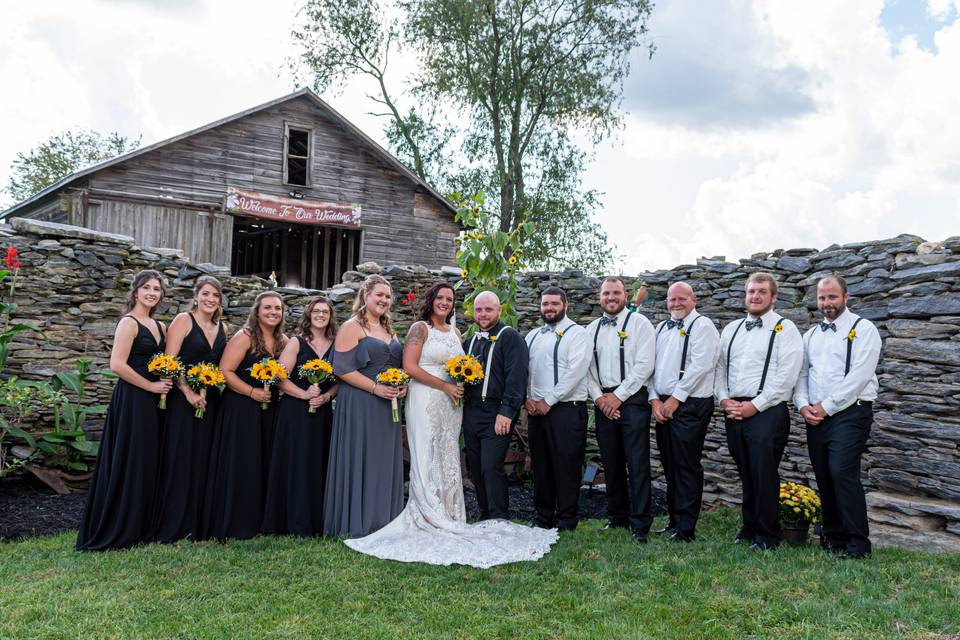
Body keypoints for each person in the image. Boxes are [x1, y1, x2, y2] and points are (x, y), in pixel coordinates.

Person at [344, 283, 557, 567]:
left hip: (452, 405)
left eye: (450, 299)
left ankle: (450, 513)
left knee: (447, 456)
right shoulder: (419, 328)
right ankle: (428, 512)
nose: (444, 302)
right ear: (431, 300)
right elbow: (410, 367)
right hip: (426, 398)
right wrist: (445, 385)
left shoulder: (458, 334)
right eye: (440, 298)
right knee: (427, 453)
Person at [77, 270, 173, 551]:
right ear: (135, 292)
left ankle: (144, 524)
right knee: (130, 458)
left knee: (148, 460)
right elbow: (117, 365)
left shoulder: (161, 326)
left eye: (157, 289)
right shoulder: (128, 324)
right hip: (134, 399)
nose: (152, 293)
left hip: (157, 401)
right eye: (146, 288)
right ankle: (122, 525)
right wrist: (150, 386)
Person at [795, 275, 881, 559]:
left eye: (832, 297)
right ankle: (833, 537)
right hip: (817, 414)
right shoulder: (811, 335)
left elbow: (859, 376)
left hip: (851, 412)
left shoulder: (864, 329)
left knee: (842, 473)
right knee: (823, 474)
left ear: (846, 297)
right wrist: (803, 405)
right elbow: (803, 374)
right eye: (822, 298)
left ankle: (858, 544)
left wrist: (827, 406)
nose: (826, 303)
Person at [715, 272, 803, 550]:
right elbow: (719, 369)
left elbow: (787, 376)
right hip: (734, 408)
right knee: (746, 472)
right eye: (751, 291)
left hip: (767, 410)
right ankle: (749, 527)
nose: (755, 296)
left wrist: (756, 405)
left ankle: (768, 535)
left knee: (764, 473)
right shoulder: (731, 329)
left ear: (773, 297)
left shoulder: (785, 329)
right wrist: (723, 399)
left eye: (762, 291)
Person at [323, 275, 406, 537]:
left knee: (382, 460)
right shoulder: (352, 326)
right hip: (359, 401)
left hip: (387, 405)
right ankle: (357, 521)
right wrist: (374, 388)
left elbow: (395, 365)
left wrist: (401, 385)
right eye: (379, 294)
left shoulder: (389, 329)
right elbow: (342, 369)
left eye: (387, 296)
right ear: (366, 295)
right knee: (361, 457)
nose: (384, 300)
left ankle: (383, 519)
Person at [201, 291, 287, 541]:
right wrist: (252, 392)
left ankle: (259, 519)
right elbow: (225, 371)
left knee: (262, 461)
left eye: (278, 308)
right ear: (257, 311)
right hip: (241, 407)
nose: (273, 312)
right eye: (268, 308)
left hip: (268, 408)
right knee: (243, 462)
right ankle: (237, 521)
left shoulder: (282, 340)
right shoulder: (245, 336)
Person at [151, 276, 227, 543]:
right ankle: (175, 523)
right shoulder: (184, 321)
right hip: (182, 403)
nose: (210, 300)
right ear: (196, 296)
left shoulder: (223, 327)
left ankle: (200, 523)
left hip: (212, 402)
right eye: (205, 294)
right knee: (181, 460)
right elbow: (169, 363)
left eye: (215, 295)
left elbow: (220, 366)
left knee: (205, 461)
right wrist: (188, 392)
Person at [585, 276, 656, 543]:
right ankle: (617, 518)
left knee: (637, 464)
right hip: (604, 401)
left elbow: (645, 365)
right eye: (606, 293)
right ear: (600, 297)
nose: (611, 298)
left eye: (616, 293)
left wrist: (619, 396)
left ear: (625, 295)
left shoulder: (640, 324)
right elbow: (587, 368)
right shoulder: (591, 328)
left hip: (634, 399)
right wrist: (600, 399)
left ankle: (640, 524)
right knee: (611, 461)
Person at [262, 296, 340, 537]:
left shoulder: (337, 345)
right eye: (316, 311)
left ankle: (316, 522)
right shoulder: (296, 342)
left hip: (322, 412)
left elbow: (341, 379)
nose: (320, 315)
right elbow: (280, 378)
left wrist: (326, 397)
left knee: (319, 463)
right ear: (309, 315)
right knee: (296, 463)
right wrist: (304, 394)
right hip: (295, 413)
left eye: (325, 312)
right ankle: (289, 522)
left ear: (330, 317)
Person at [649, 281, 719, 542]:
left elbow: (701, 364)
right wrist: (655, 400)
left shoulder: (703, 326)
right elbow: (652, 367)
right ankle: (674, 521)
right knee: (669, 463)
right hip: (664, 403)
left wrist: (675, 400)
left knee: (686, 464)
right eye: (671, 299)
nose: (676, 303)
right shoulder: (661, 328)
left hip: (690, 404)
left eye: (682, 299)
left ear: (694, 300)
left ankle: (686, 528)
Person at [525, 287, 591, 531]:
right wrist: (527, 398)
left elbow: (575, 372)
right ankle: (543, 517)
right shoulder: (533, 336)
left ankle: (566, 519)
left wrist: (548, 400)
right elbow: (525, 371)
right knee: (540, 466)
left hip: (567, 409)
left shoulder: (578, 334)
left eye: (554, 304)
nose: (549, 308)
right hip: (536, 411)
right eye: (545, 304)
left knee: (566, 465)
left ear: (566, 305)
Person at [461, 291, 529, 521]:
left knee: (491, 467)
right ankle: (484, 514)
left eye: (488, 309)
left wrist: (507, 412)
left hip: (496, 413)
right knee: (476, 467)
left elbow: (517, 378)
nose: (483, 314)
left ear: (499, 311)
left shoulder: (510, 337)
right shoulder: (469, 342)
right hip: (470, 412)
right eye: (479, 309)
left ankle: (499, 517)